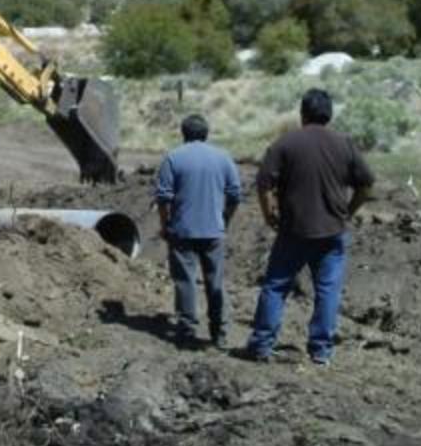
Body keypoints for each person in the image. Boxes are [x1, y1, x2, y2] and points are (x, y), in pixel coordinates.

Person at [246, 88, 374, 366]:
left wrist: (269, 214)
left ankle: (262, 345)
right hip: (332, 231)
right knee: (327, 291)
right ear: (329, 114)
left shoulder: (285, 144)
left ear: (302, 113)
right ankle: (321, 351)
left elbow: (264, 183)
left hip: (293, 230)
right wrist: (348, 212)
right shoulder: (345, 144)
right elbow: (367, 185)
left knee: (276, 287)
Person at [154, 114, 242, 350]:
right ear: (206, 133)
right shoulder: (223, 158)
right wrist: (225, 219)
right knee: (215, 282)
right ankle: (219, 333)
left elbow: (163, 197)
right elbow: (235, 195)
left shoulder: (173, 158)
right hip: (213, 231)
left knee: (186, 281)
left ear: (183, 134)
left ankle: (187, 331)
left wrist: (165, 225)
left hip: (182, 231)